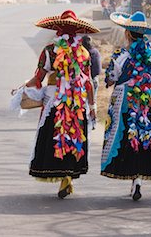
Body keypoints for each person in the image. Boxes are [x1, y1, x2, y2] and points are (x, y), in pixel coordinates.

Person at [25, 10, 99, 199]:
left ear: (58, 29)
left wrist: (22, 88)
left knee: (54, 135)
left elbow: (39, 77)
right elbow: (88, 81)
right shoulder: (84, 52)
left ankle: (60, 174)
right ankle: (68, 175)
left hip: (55, 101)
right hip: (77, 102)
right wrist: (92, 107)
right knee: (74, 135)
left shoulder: (50, 50)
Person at [101, 11, 151, 201]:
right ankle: (138, 179)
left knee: (126, 136)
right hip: (146, 98)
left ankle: (133, 176)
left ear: (128, 34)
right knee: (145, 135)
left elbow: (111, 79)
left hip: (125, 99)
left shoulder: (120, 55)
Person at [82, 35, 102, 129]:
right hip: (94, 80)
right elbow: (99, 69)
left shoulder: (82, 54)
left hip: (85, 81)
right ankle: (93, 122)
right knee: (93, 101)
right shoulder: (95, 52)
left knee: (84, 102)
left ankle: (85, 120)